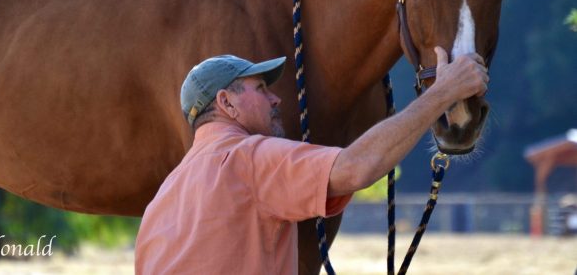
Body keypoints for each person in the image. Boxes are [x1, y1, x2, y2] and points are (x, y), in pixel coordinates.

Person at [135, 48, 488, 274]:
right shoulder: (249, 159)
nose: (276, 99)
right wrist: (444, 93)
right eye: (261, 89)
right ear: (226, 103)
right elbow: (355, 167)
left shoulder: (162, 201)